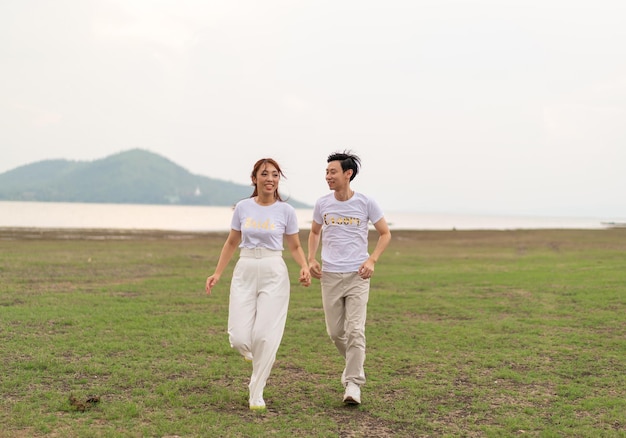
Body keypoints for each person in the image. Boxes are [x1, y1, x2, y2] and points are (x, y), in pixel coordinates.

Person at [205, 158, 311, 411]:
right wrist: (218, 273)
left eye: (275, 175)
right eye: (264, 174)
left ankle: (257, 390)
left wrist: (304, 266)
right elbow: (231, 242)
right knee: (239, 337)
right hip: (245, 268)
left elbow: (294, 246)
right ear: (255, 179)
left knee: (266, 335)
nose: (270, 179)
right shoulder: (243, 207)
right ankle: (251, 354)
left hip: (274, 270)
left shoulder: (286, 211)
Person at [307, 150, 391, 406]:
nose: (328, 176)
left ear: (348, 173)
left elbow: (385, 234)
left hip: (358, 274)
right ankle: (357, 364)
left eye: (332, 172)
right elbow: (313, 231)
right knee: (335, 333)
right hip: (330, 275)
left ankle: (353, 383)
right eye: (326, 172)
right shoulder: (323, 203)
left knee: (355, 330)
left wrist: (372, 260)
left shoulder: (366, 203)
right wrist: (311, 259)